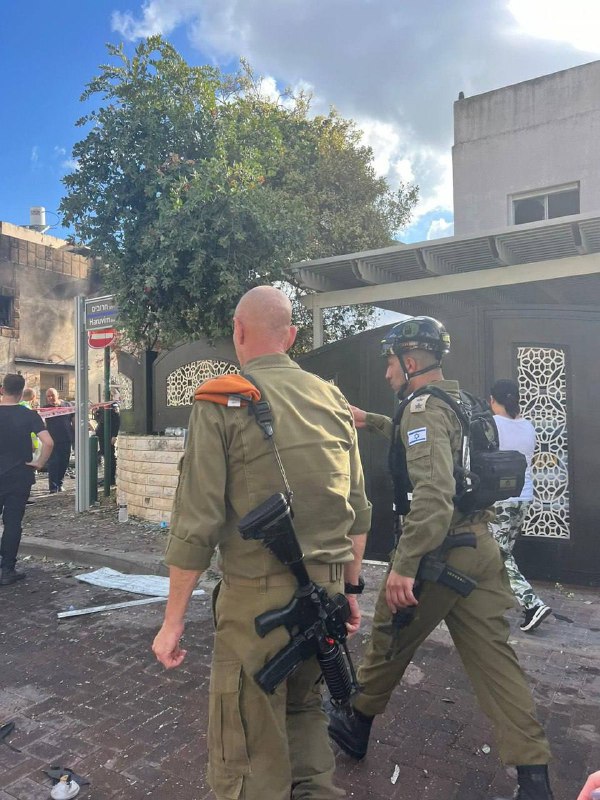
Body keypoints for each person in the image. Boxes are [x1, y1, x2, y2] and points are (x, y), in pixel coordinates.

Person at [152, 285, 371, 800]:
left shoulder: (223, 399)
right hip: (328, 595)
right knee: (304, 715)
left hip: (257, 604)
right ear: (291, 336)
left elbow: (196, 523)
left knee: (247, 753)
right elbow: (359, 509)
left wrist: (172, 621)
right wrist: (352, 589)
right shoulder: (333, 401)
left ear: (238, 330)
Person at [327, 316, 554, 800]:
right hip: (482, 550)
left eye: (390, 361)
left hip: (437, 552)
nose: (388, 371)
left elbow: (433, 494)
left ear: (410, 362)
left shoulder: (423, 409)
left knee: (390, 636)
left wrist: (404, 566)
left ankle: (355, 724)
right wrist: (370, 420)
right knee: (497, 662)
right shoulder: (462, 401)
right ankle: (534, 779)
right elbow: (442, 451)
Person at [489, 379, 552, 633]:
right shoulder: (528, 426)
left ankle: (532, 604)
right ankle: (495, 602)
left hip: (501, 499)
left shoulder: (492, 425)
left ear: (493, 400)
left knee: (499, 555)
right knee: (503, 554)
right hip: (524, 496)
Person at [0, 374, 53, 586]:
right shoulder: (29, 414)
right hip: (19, 476)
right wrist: (39, 463)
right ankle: (7, 570)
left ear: (2, 390)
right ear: (22, 392)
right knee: (13, 523)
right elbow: (48, 443)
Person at [44, 387, 74, 493]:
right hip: (52, 440)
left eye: (52, 395)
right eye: (48, 396)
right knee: (53, 463)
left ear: (58, 395)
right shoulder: (45, 408)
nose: (50, 398)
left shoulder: (67, 405)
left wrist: (75, 435)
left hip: (66, 438)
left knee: (64, 462)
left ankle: (60, 483)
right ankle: (53, 487)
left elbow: (73, 420)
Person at [94, 398, 120, 486]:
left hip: (109, 435)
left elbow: (117, 420)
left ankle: (111, 479)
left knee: (110, 457)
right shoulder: (102, 405)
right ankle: (107, 478)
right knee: (105, 456)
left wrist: (114, 435)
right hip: (102, 435)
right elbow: (98, 417)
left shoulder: (113, 405)